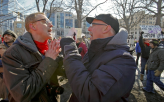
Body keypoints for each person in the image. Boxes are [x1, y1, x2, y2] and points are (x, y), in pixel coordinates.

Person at [60, 14, 137, 102]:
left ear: (106, 28)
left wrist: (70, 50)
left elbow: (91, 95)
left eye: (93, 25)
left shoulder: (124, 60)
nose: (89, 29)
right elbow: (81, 76)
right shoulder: (95, 51)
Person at [2, 12, 62, 102]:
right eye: (45, 21)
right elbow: (22, 93)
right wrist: (49, 61)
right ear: (33, 26)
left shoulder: (52, 49)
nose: (51, 24)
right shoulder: (13, 53)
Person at [0, 30, 17, 100]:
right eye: (4, 35)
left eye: (8, 35)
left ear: (13, 37)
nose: (6, 36)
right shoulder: (1, 47)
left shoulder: (18, 47)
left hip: (16, 76)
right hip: (3, 76)